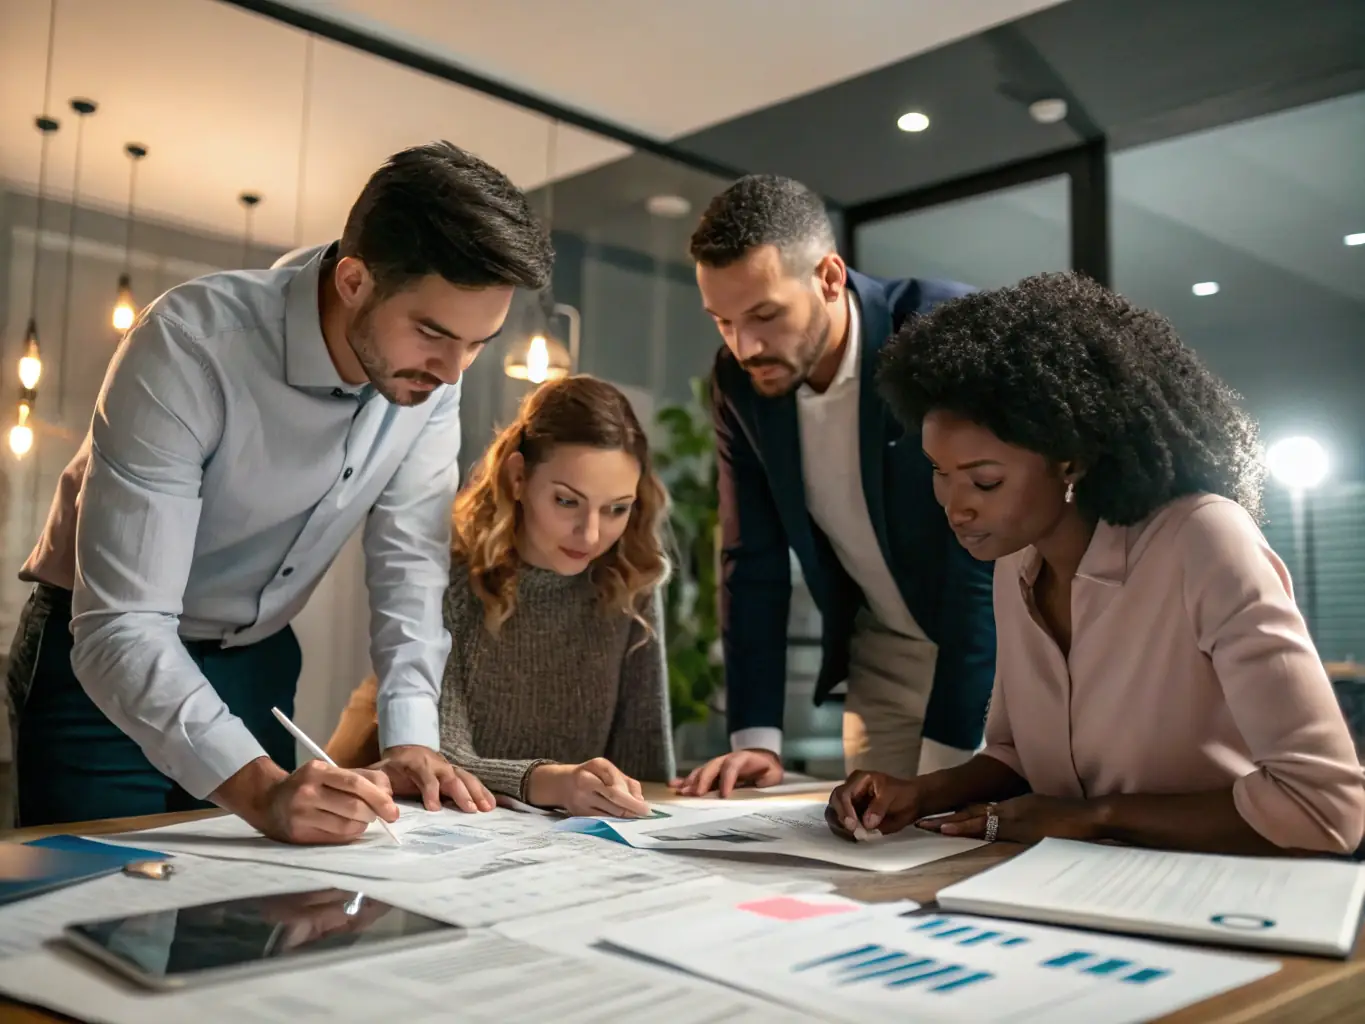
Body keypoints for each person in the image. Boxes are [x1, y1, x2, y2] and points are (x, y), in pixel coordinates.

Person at [6, 141, 553, 842]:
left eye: (478, 343)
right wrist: (260, 791)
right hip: (99, 663)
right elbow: (123, 625)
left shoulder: (429, 378)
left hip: (259, 662)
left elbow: (410, 568)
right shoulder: (189, 345)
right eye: (431, 333)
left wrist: (412, 736)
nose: (452, 371)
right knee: (85, 913)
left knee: (241, 926)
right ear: (354, 279)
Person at [828, 271, 1365, 856]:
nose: (956, 508)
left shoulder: (1204, 540)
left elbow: (1326, 808)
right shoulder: (1017, 563)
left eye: (985, 480)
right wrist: (921, 792)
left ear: (1071, 463)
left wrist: (1092, 818)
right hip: (1072, 887)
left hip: (1223, 898)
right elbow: (1017, 756)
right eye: (939, 472)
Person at [672, 175, 996, 799]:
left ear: (828, 277)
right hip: (888, 652)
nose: (746, 346)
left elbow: (977, 557)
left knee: (979, 840)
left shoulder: (940, 331)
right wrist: (756, 740)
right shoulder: (738, 383)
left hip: (1006, 640)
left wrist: (947, 769)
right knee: (876, 851)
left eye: (765, 315)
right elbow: (752, 556)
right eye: (723, 322)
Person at [324, 375, 673, 818]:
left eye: (616, 509)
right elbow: (440, 761)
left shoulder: (631, 581)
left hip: (541, 842)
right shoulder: (447, 574)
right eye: (567, 502)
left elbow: (644, 771)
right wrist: (552, 781)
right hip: (399, 815)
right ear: (518, 478)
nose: (590, 534)